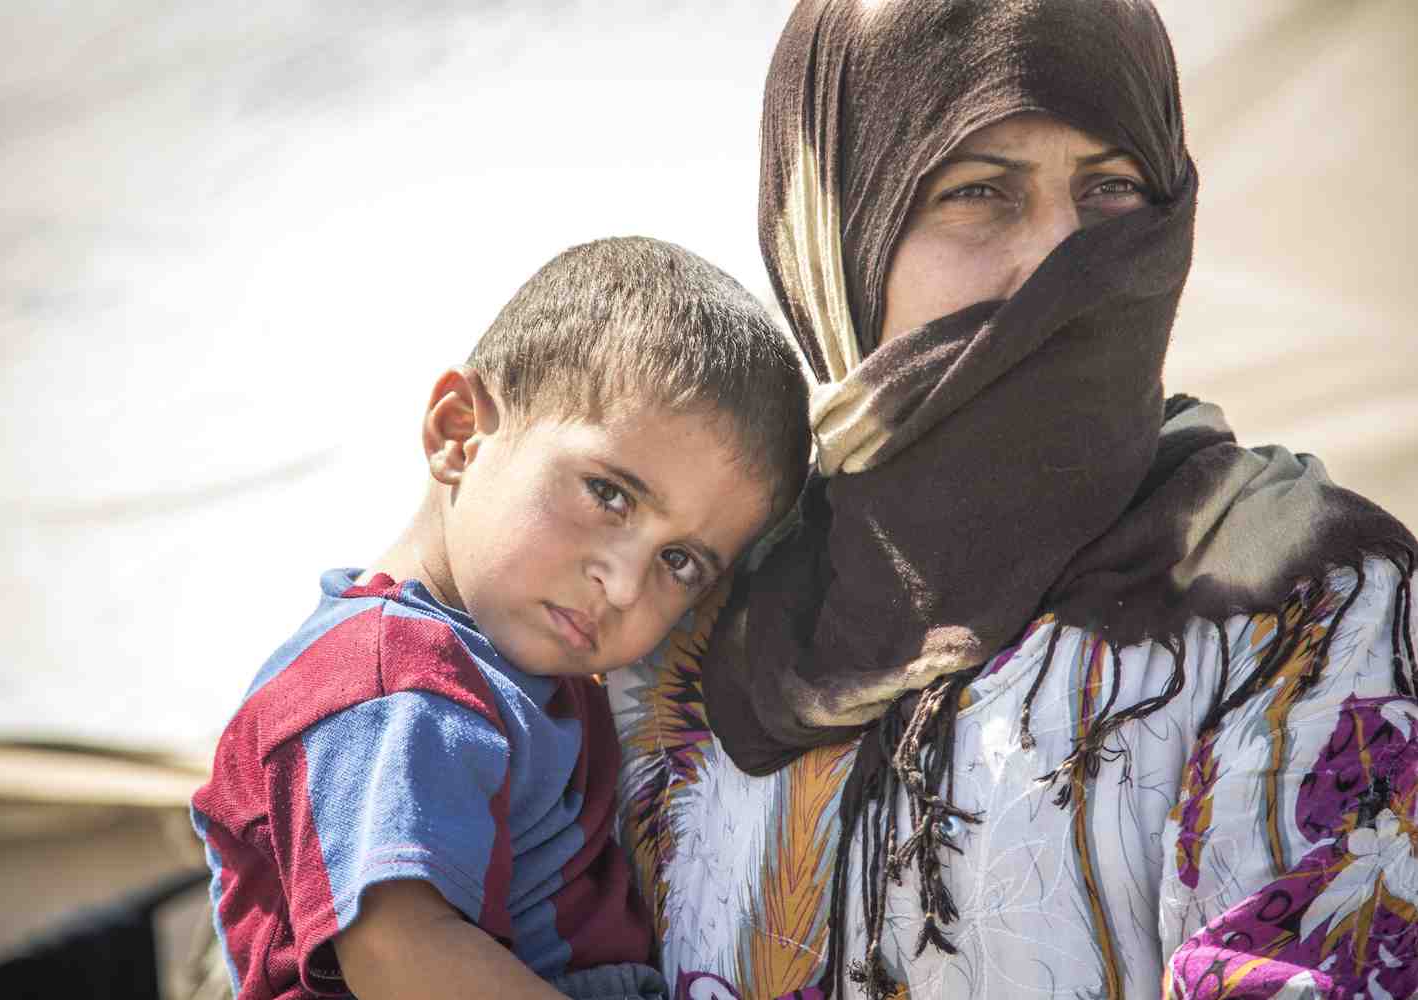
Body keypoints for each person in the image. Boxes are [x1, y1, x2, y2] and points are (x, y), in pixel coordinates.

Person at [606, 3, 1418, 999]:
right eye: (979, 190)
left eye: (1113, 187)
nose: (1058, 257)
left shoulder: (1301, 600)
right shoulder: (674, 619)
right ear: (835, 238)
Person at [190, 236, 812, 1000]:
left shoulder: (513, 671)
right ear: (458, 433)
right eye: (609, 494)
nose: (621, 584)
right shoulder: (388, 685)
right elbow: (399, 950)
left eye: (679, 562)